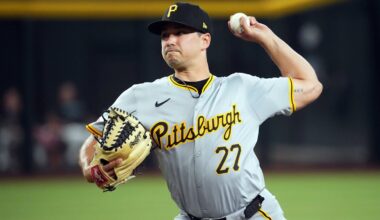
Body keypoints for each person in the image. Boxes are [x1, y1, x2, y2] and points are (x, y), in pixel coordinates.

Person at [79, 2, 323, 220]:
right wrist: (89, 168)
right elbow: (93, 141)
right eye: (165, 35)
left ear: (204, 40)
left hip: (252, 213)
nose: (170, 40)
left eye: (180, 32)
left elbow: (310, 85)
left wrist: (266, 38)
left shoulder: (242, 88)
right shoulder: (140, 96)